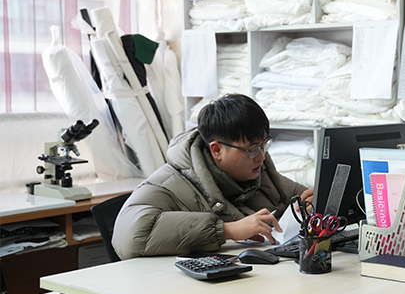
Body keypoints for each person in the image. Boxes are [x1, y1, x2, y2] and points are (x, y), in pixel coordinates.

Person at [113, 94, 313, 259]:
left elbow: (303, 195)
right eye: (252, 149)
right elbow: (128, 236)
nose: (261, 156)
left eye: (264, 145)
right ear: (217, 150)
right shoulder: (169, 184)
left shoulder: (259, 172)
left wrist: (315, 202)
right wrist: (227, 230)